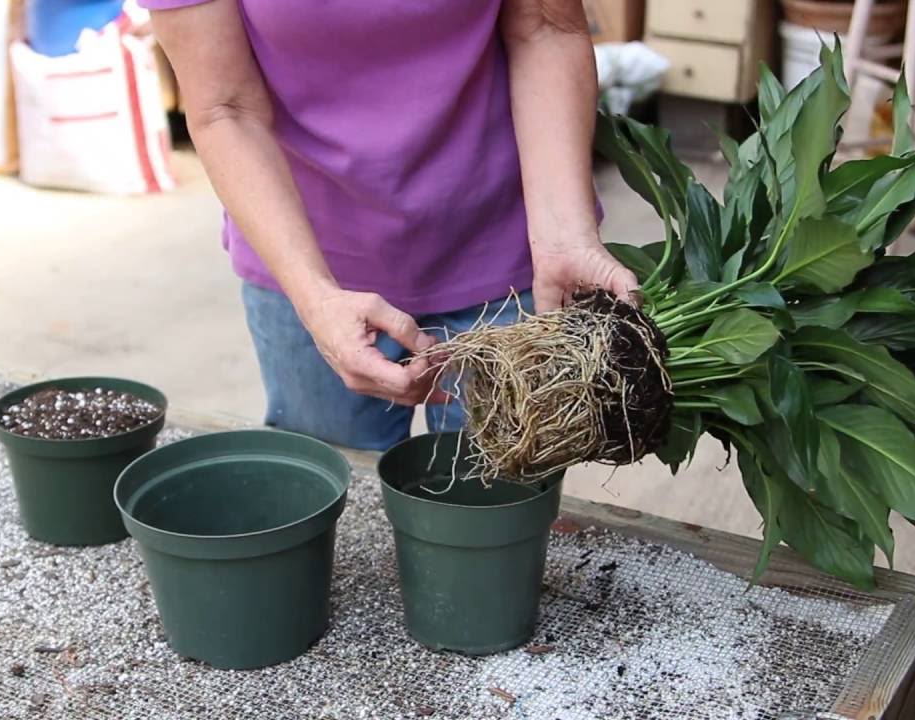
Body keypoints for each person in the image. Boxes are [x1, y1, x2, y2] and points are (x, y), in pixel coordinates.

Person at [144, 0, 638, 450]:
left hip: (512, 248)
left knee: (501, 513)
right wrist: (317, 299)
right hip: (312, 262)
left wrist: (565, 235)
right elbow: (223, 107)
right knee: (339, 503)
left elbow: (546, 28)